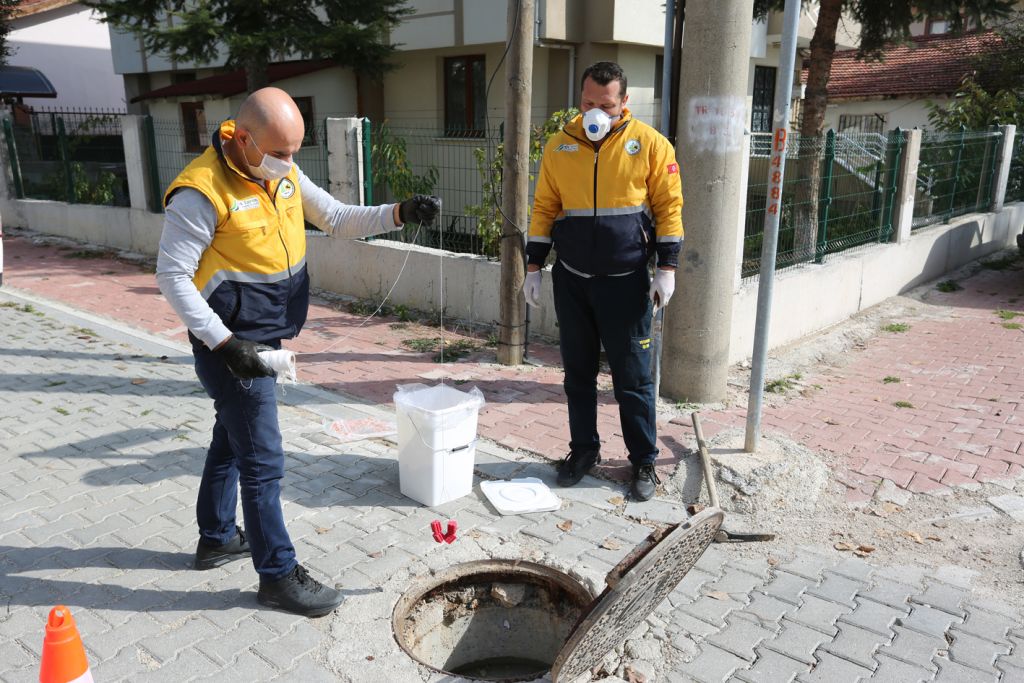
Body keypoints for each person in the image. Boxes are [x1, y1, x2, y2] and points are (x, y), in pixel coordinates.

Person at [155, 87, 439, 617]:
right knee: (262, 462)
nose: (290, 165)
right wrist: (225, 343)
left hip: (262, 336)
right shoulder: (200, 192)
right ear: (243, 140)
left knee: (230, 438)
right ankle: (278, 575)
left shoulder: (279, 171)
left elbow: (336, 216)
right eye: (280, 153)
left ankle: (216, 537)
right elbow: (170, 276)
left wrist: (399, 212)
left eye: (295, 152)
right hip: (232, 346)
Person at [523, 62, 683, 502]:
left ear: (624, 103)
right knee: (577, 375)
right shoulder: (559, 147)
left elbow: (669, 209)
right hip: (572, 280)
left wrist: (666, 268)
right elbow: (544, 209)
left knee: (632, 379)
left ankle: (643, 460)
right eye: (588, 103)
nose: (596, 112)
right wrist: (533, 267)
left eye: (606, 105)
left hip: (626, 281)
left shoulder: (650, 145)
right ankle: (583, 451)